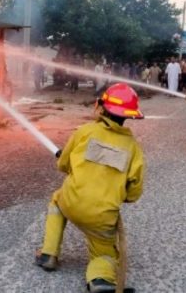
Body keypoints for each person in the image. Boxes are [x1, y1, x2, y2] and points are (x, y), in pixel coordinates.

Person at [35, 83, 145, 293]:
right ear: (129, 116)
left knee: (57, 201)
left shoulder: (84, 131)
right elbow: (135, 189)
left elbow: (63, 164)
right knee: (105, 254)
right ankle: (101, 280)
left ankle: (48, 254)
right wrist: (123, 196)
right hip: (101, 217)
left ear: (101, 106)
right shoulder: (133, 148)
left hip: (71, 201)